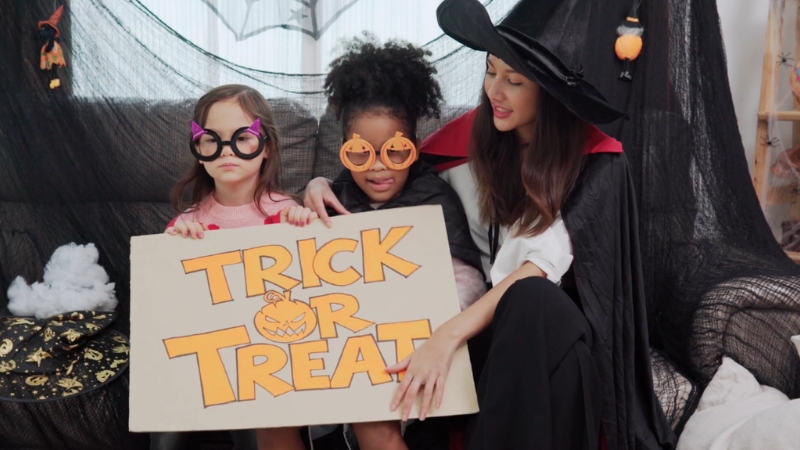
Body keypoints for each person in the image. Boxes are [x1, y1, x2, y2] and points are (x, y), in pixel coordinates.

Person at [304, 1, 677, 449]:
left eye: (515, 81)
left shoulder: (594, 165)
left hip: (548, 350)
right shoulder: (453, 155)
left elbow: (535, 271)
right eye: (491, 70)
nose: (495, 91)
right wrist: (319, 183)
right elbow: (379, 174)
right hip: (478, 347)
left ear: (548, 93)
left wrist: (447, 335)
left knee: (531, 298)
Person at [258, 36, 486, 450]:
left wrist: (419, 323)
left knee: (377, 426)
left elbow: (467, 283)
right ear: (345, 152)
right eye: (361, 154)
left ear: (413, 151)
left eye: (395, 153)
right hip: (340, 365)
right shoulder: (335, 197)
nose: (379, 167)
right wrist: (312, 195)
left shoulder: (435, 200)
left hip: (413, 365)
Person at [157, 84, 315, 450]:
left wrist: (305, 227)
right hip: (208, 355)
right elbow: (166, 295)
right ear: (199, 150)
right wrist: (176, 245)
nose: (226, 151)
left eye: (243, 138)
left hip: (271, 355)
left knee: (265, 425)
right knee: (166, 426)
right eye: (212, 140)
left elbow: (311, 278)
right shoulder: (188, 222)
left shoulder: (285, 213)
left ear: (266, 147)